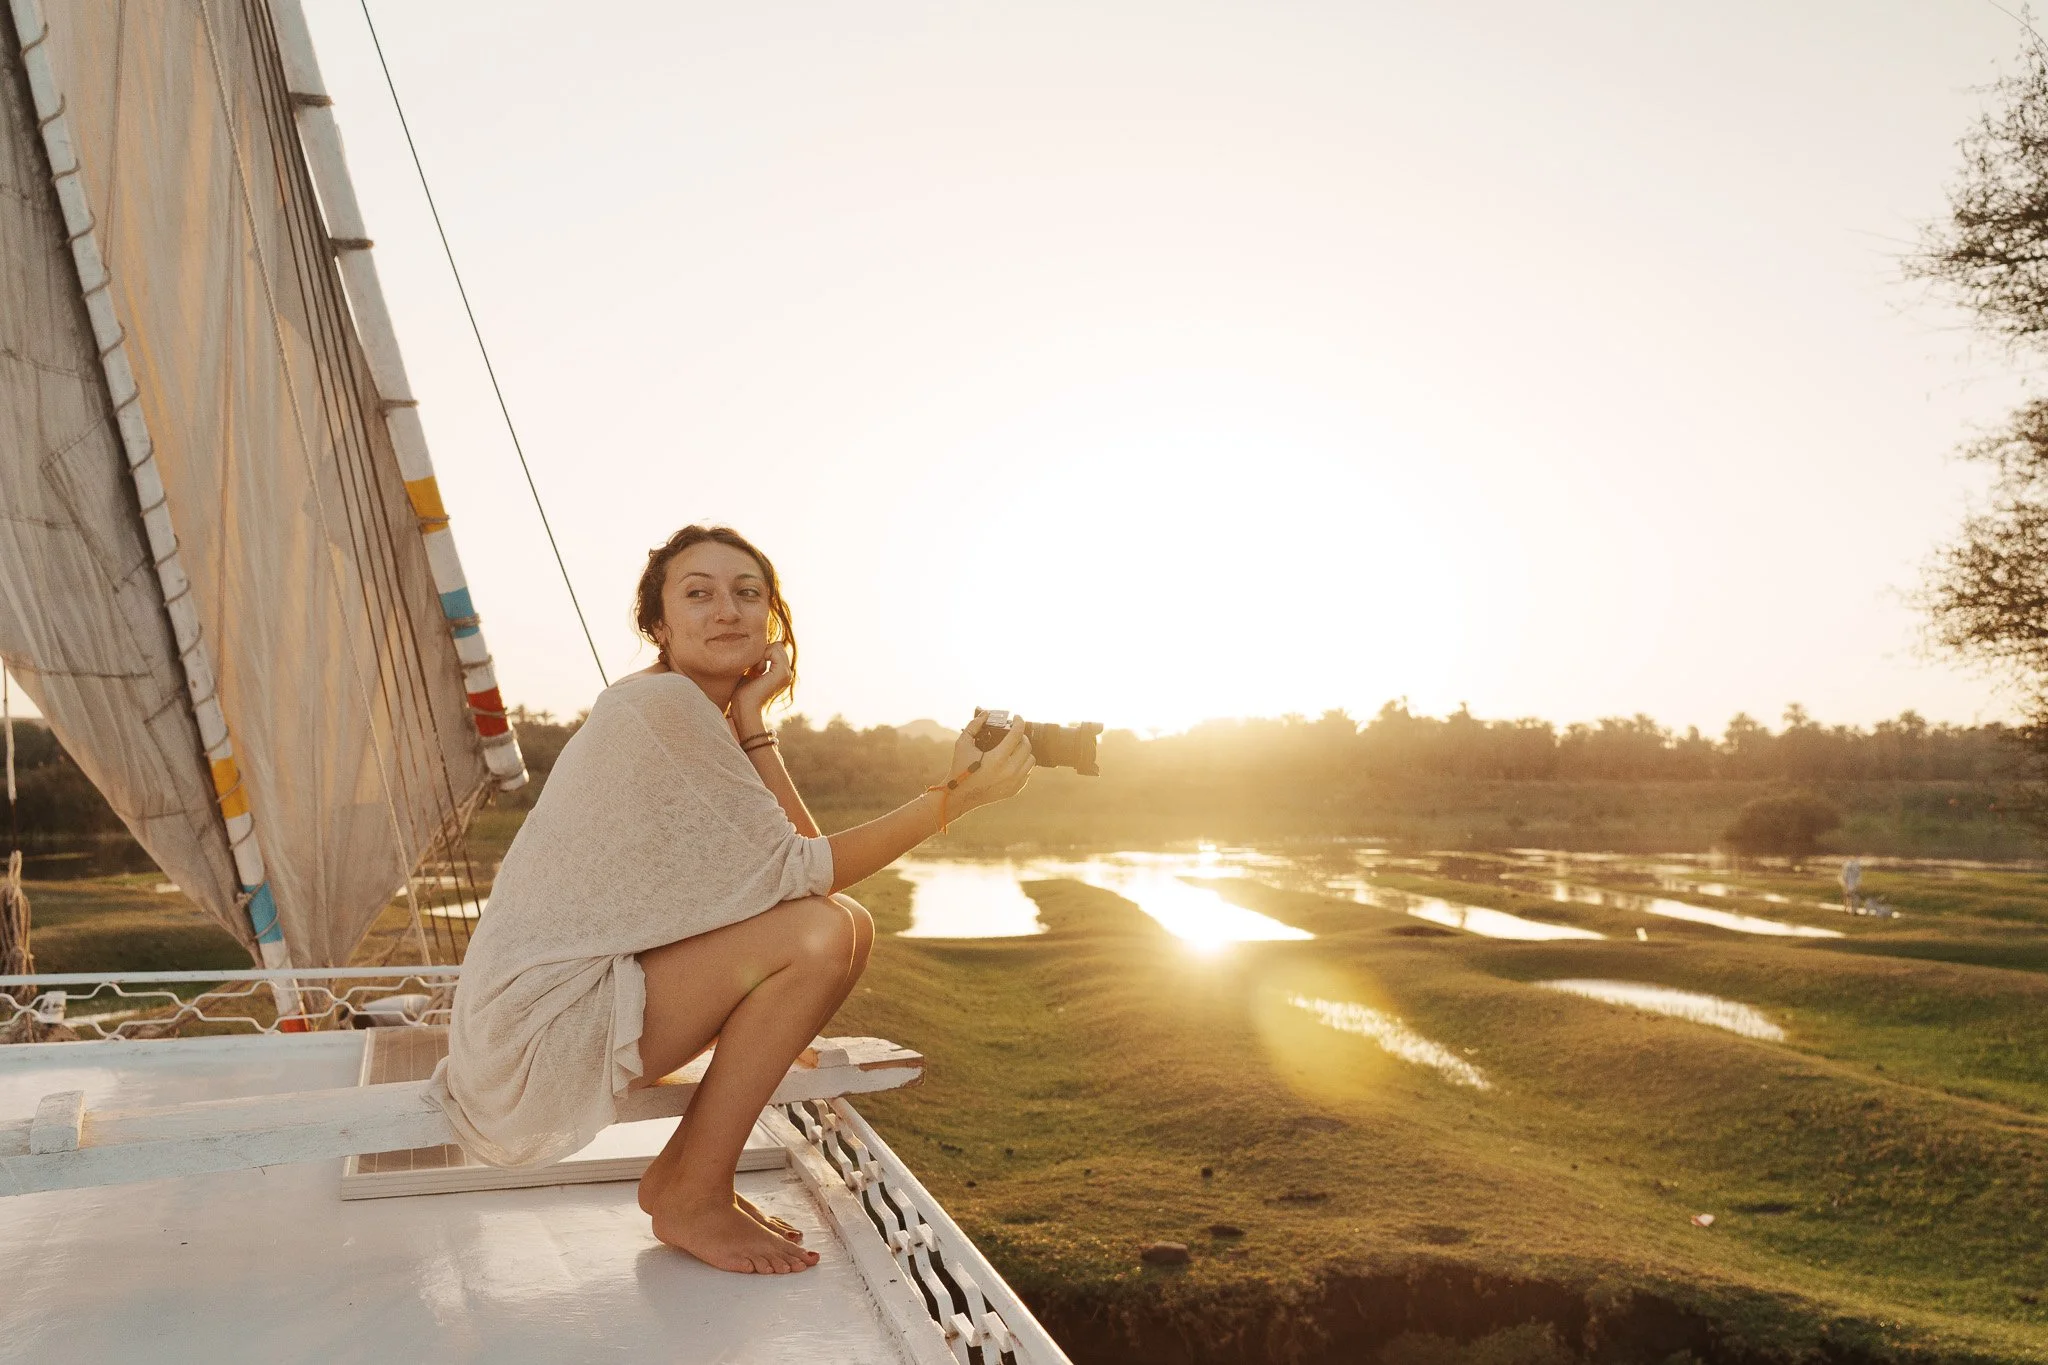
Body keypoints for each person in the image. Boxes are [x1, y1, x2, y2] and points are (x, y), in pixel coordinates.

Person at [430, 524, 1035, 1274]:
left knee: (846, 925)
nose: (727, 610)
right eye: (699, 594)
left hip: (573, 1006)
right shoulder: (659, 708)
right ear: (659, 625)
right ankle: (694, 1194)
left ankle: (682, 1176)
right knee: (817, 934)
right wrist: (955, 798)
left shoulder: (695, 713)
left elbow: (805, 869)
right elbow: (808, 871)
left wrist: (753, 722)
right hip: (537, 1035)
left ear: (770, 621)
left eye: (747, 593)